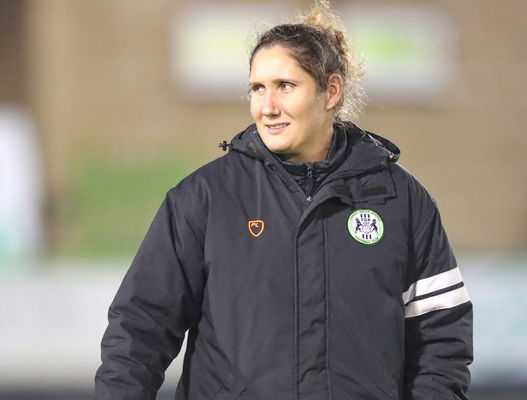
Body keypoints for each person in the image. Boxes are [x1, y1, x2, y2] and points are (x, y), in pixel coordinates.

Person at [95, 1, 473, 399]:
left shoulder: (400, 199)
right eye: (257, 88)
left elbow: (442, 337)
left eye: (285, 87)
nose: (268, 107)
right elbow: (139, 329)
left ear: (331, 91)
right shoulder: (205, 198)